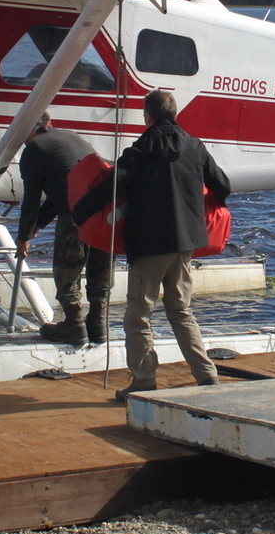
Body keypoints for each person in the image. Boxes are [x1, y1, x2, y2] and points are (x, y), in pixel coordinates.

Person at [74, 89, 230, 400]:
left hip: (150, 245)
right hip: (186, 243)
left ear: (147, 117)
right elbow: (223, 185)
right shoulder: (195, 147)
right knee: (181, 310)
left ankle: (144, 380)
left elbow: (111, 187)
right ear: (174, 114)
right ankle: (207, 376)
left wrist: (80, 213)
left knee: (138, 315)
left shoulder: (139, 152)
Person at [15, 114, 113, 345]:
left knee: (67, 267)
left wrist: (23, 237)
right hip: (107, 211)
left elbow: (31, 201)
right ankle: (98, 324)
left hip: (76, 213)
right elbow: (58, 192)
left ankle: (74, 324)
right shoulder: (71, 138)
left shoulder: (33, 150)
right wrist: (37, 225)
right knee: (100, 269)